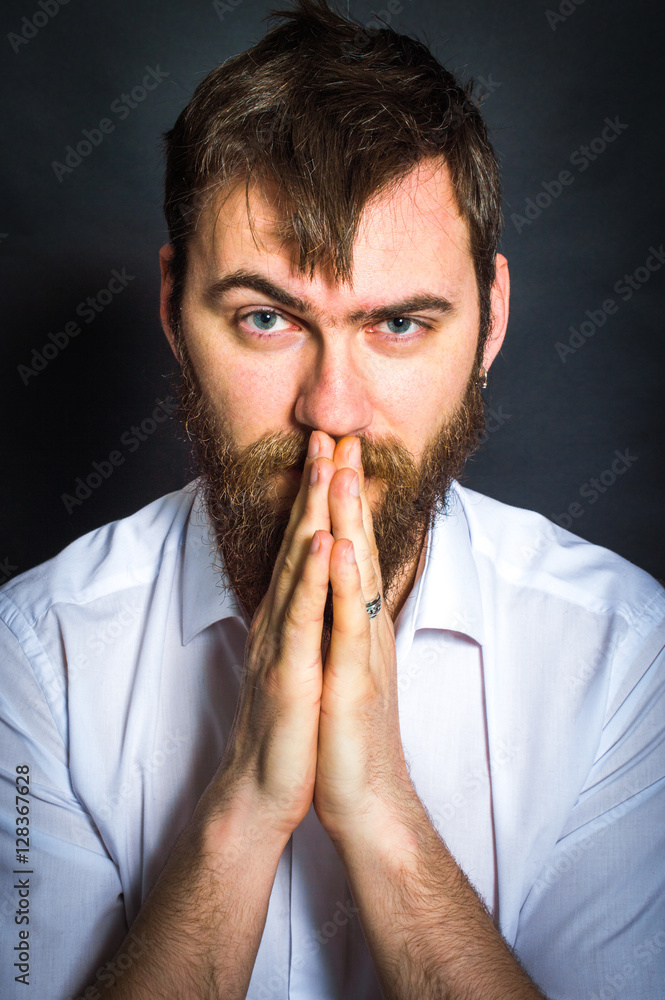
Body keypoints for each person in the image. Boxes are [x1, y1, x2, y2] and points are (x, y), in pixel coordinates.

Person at [1, 1, 664, 998]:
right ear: (175, 313)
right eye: (265, 318)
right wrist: (246, 805)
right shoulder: (33, 656)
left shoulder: (625, 657)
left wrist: (382, 811)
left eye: (398, 322)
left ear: (488, 326)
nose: (331, 410)